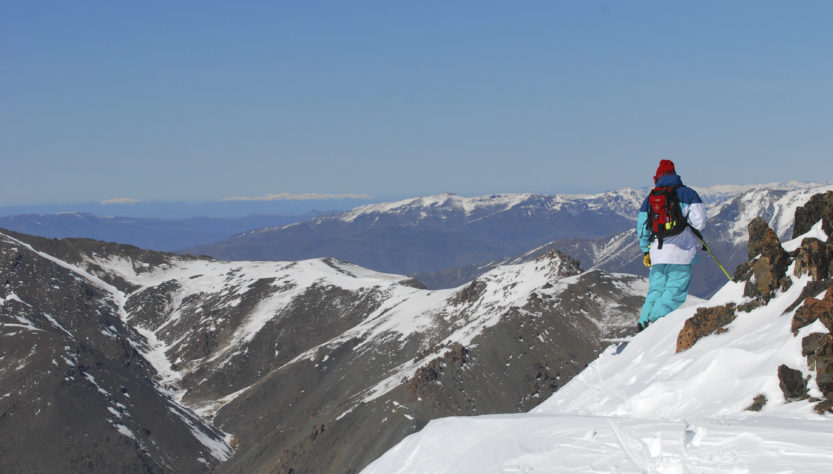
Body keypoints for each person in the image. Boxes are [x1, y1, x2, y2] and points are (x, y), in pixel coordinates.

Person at [636, 159, 706, 330]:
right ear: (675, 174)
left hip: (656, 252)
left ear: (657, 177)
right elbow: (700, 223)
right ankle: (657, 319)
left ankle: (644, 319)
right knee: (676, 289)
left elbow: (642, 227)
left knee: (656, 288)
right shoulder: (688, 194)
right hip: (681, 253)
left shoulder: (651, 198)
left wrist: (646, 250)